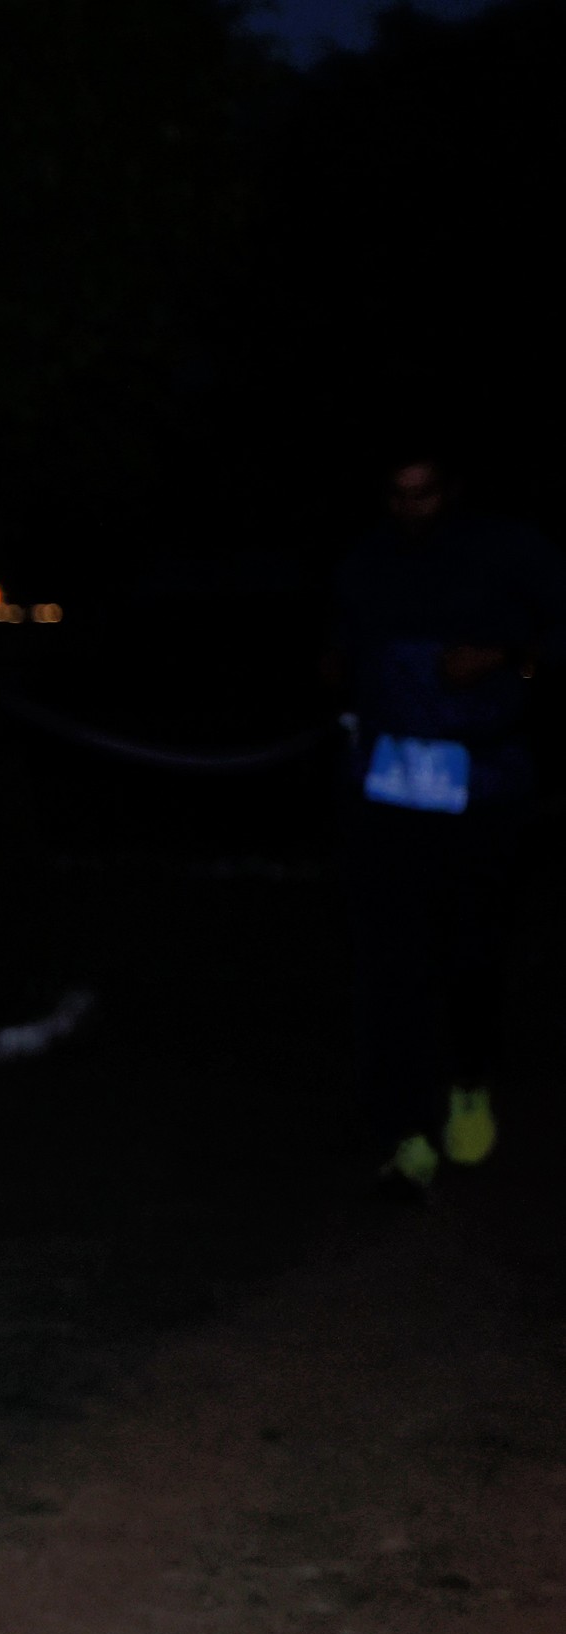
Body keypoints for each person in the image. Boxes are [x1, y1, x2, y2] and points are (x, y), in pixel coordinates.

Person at [328, 454, 559, 1193]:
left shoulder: (510, 550)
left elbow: (550, 638)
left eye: (423, 493)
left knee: (472, 949)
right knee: (389, 963)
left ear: (451, 489)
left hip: (484, 791)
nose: (410, 507)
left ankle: (469, 1084)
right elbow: (339, 648)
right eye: (396, 494)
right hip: (385, 791)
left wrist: (506, 655)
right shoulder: (366, 560)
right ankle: (402, 1129)